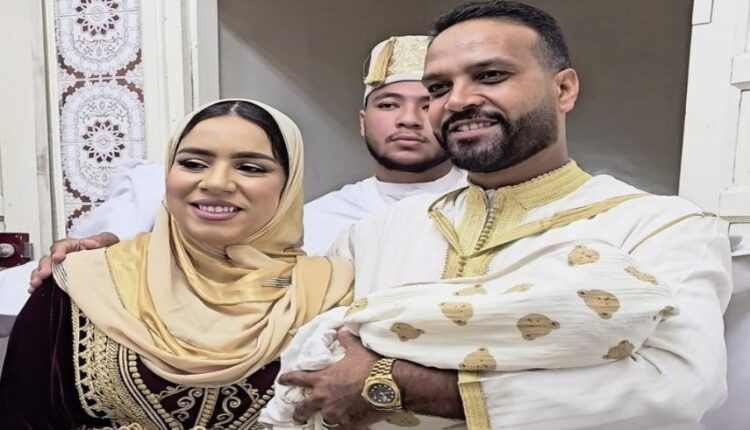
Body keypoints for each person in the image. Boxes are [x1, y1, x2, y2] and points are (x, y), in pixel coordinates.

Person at [276, 2, 732, 429]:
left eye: (490, 75)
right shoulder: (372, 234)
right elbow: (321, 361)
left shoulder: (661, 227)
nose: (457, 100)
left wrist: (401, 385)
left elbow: (677, 388)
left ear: (564, 89)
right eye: (439, 87)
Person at [0, 99, 354, 428]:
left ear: (288, 185)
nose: (215, 182)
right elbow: (22, 418)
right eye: (193, 163)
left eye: (250, 167)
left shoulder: (333, 291)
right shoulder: (83, 282)